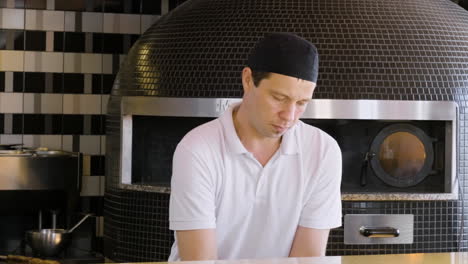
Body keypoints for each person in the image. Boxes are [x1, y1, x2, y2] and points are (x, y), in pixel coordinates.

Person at [168, 32, 342, 261]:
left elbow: (307, 258)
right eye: (279, 98)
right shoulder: (197, 149)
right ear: (248, 80)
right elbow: (199, 261)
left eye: (301, 103)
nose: (289, 116)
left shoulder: (322, 150)